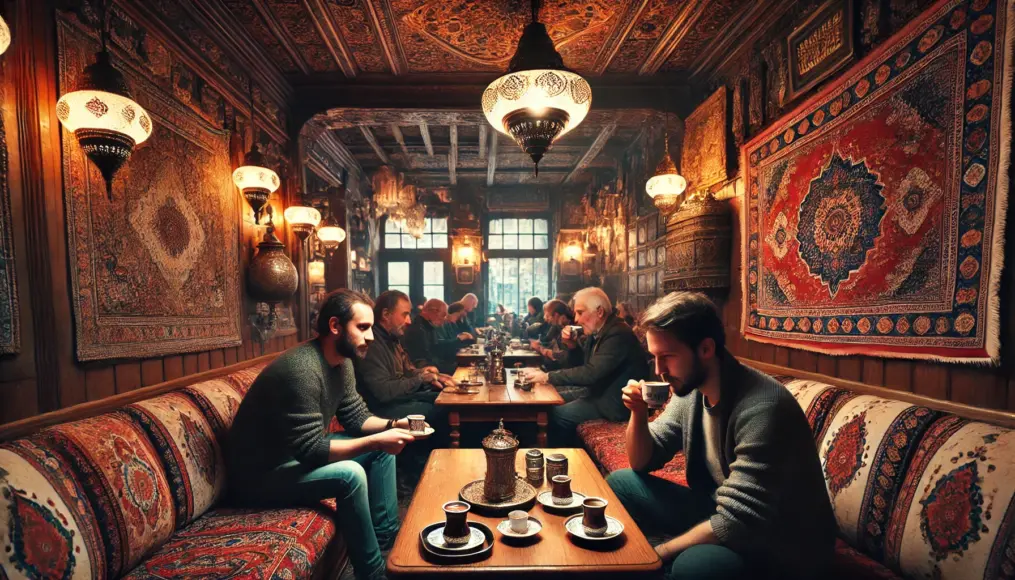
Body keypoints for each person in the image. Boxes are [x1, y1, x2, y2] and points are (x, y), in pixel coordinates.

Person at [607, 292, 835, 580]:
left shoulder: (764, 408)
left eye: (667, 357)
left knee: (694, 567)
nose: (659, 371)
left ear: (705, 349)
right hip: (720, 511)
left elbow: (736, 522)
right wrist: (638, 414)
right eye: (654, 357)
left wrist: (659, 552)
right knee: (621, 483)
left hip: (781, 545)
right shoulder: (690, 390)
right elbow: (643, 460)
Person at [226, 289, 419, 580]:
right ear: (335, 326)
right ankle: (373, 574)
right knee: (350, 475)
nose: (370, 337)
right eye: (363, 328)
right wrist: (378, 439)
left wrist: (394, 425)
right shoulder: (301, 369)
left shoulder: (343, 363)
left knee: (380, 451)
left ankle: (386, 545)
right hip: (261, 477)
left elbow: (356, 417)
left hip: (295, 457)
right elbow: (311, 449)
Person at [520, 287, 649, 445]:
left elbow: (590, 373)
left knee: (555, 414)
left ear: (599, 312)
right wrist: (572, 347)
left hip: (613, 404)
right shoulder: (599, 330)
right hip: (596, 392)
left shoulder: (618, 333)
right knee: (548, 398)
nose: (576, 319)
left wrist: (548, 376)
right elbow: (580, 366)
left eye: (580, 312)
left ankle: (561, 458)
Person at [355, 290, 454, 427]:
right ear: (385, 314)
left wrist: (428, 374)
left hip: (399, 400)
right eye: (405, 315)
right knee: (440, 411)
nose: (409, 321)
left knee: (447, 399)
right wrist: (420, 379)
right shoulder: (371, 344)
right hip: (380, 412)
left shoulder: (393, 338)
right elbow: (382, 392)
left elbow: (407, 371)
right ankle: (423, 447)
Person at [404, 299, 473, 373]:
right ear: (433, 311)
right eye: (443, 315)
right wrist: (453, 367)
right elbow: (424, 362)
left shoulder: (428, 325)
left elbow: (437, 348)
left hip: (435, 369)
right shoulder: (418, 329)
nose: (444, 320)